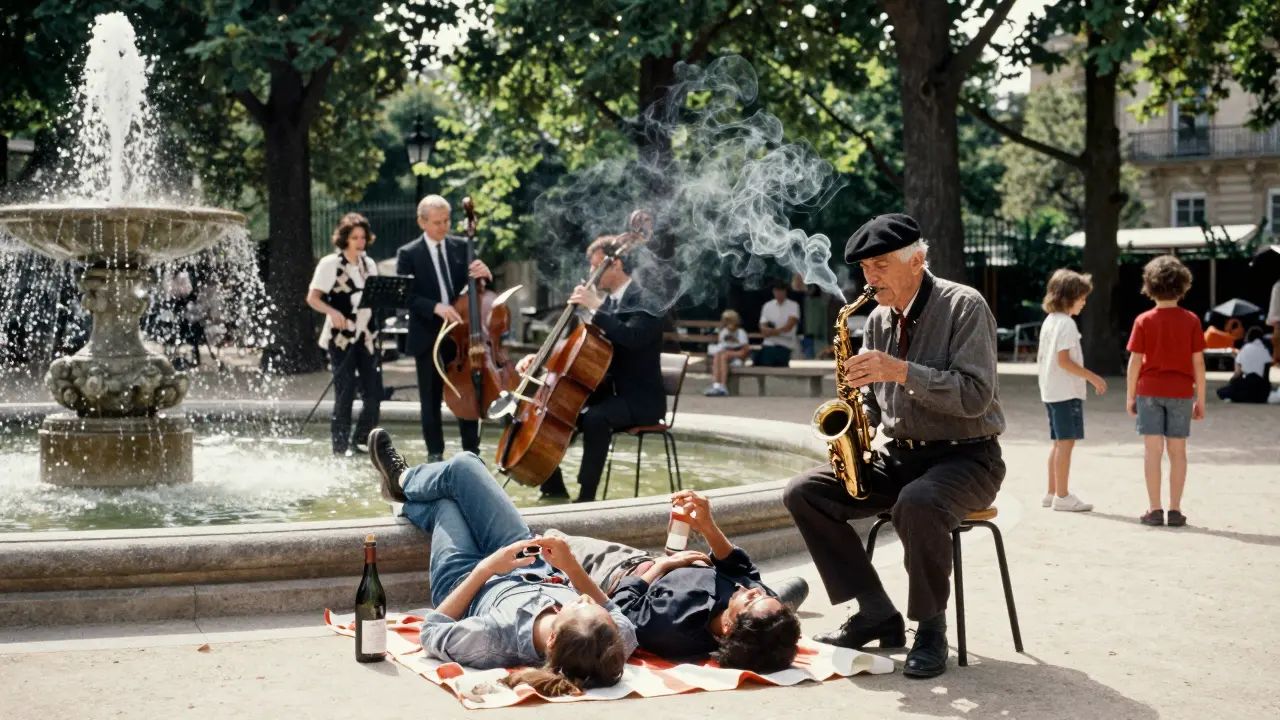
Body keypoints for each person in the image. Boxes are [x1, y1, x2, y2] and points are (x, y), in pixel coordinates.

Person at [782, 213, 1006, 680]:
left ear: (917, 260)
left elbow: (974, 395)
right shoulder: (877, 321)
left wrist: (900, 371)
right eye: (865, 269)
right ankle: (876, 612)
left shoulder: (965, 306)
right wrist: (857, 419)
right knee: (803, 492)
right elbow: (871, 399)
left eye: (880, 265)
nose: (870, 278)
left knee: (918, 502)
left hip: (968, 457)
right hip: (904, 455)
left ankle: (930, 627)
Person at [366, 428, 638, 696]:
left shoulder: (492, 640)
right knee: (465, 466)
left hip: (465, 578)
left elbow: (432, 631)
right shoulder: (612, 641)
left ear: (553, 639)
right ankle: (403, 488)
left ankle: (401, 486)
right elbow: (612, 610)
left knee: (446, 505)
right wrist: (570, 566)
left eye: (580, 604)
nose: (587, 598)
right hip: (526, 556)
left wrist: (487, 568)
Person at [545, 489, 807, 673]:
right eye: (762, 595)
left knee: (548, 538)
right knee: (796, 587)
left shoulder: (673, 625)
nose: (751, 590)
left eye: (752, 599)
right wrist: (706, 525)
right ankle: (789, 594)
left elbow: (621, 608)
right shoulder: (757, 601)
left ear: (728, 626)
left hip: (612, 570)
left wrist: (661, 566)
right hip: (662, 561)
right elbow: (742, 568)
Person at [515, 234, 665, 503]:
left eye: (596, 266)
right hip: (607, 394)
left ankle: (586, 497)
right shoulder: (605, 303)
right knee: (556, 411)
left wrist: (596, 307)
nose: (591, 273)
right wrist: (539, 358)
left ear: (616, 265)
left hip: (640, 399)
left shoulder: (646, 301)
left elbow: (632, 339)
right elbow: (575, 345)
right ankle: (553, 485)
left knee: (595, 418)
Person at [396, 196, 493, 462]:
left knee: (468, 393)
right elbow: (405, 296)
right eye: (437, 222)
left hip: (461, 335)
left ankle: (471, 455)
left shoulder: (462, 246)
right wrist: (435, 307)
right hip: (427, 335)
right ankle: (435, 455)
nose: (443, 227)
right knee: (430, 400)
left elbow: (478, 288)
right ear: (422, 222)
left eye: (447, 221)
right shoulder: (408, 253)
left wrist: (485, 273)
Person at [1125, 255, 1206, 528]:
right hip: (1182, 392)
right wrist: (1201, 399)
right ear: (1183, 285)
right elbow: (1198, 363)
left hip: (1149, 391)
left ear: (1149, 285)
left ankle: (1154, 509)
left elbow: (1135, 361)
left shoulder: (1143, 320)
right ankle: (1175, 510)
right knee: (1178, 451)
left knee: (1152, 451)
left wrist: (1130, 395)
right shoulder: (1192, 320)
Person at [307, 213, 382, 455]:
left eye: (363, 237)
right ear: (344, 239)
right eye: (354, 238)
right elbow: (313, 298)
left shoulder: (369, 264)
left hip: (367, 336)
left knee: (374, 392)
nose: (360, 242)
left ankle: (360, 441)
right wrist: (332, 312)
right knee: (345, 391)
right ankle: (339, 448)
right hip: (340, 337)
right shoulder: (330, 264)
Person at [1036, 269, 1107, 513]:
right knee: (1065, 444)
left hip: (1051, 390)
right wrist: (1093, 377)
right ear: (1069, 297)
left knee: (1057, 443)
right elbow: (1064, 360)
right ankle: (1063, 496)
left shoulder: (1050, 321)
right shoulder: (1066, 324)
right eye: (1082, 298)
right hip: (1065, 392)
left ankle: (1052, 492)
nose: (1084, 302)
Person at [1217, 327, 1274, 403]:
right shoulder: (1265, 350)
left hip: (1247, 384)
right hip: (1260, 390)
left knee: (1225, 390)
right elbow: (1266, 377)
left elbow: (1237, 373)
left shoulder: (1244, 349)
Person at [703, 309, 750, 397]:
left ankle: (723, 386)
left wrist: (731, 354)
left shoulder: (741, 333)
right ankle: (716, 385)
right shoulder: (723, 332)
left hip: (737, 359)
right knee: (718, 356)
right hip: (723, 356)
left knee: (723, 356)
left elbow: (745, 352)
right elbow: (721, 346)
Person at [754, 280, 800, 367]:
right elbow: (762, 326)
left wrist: (771, 332)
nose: (779, 293)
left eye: (781, 291)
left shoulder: (793, 305)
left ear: (785, 291)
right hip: (769, 344)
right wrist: (774, 331)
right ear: (773, 291)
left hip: (785, 344)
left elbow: (788, 327)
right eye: (777, 291)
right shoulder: (767, 306)